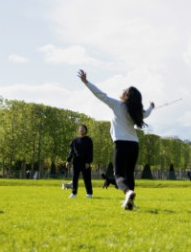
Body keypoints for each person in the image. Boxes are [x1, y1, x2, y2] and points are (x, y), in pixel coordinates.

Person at [77, 69, 154, 210]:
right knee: (129, 174)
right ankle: (129, 202)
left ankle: (128, 192)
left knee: (118, 175)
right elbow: (147, 114)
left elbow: (100, 95)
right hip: (134, 145)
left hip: (121, 144)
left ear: (126, 95)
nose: (122, 90)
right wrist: (151, 107)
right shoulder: (136, 111)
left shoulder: (117, 105)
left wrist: (86, 82)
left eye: (124, 90)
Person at [66, 124, 94, 198]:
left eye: (83, 128)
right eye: (80, 128)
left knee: (87, 178)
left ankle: (89, 193)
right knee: (74, 178)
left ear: (85, 131)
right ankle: (74, 193)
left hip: (85, 162)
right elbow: (71, 151)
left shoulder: (88, 140)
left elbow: (90, 152)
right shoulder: (74, 140)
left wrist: (88, 162)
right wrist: (68, 161)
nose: (81, 130)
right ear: (78, 130)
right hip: (76, 161)